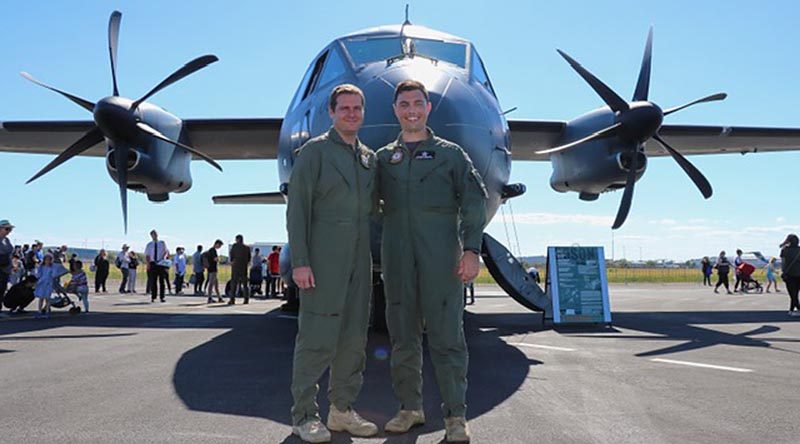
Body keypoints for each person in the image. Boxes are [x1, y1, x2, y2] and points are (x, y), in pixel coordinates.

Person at [376, 80, 487, 443]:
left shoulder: (451, 154)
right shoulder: (381, 159)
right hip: (397, 258)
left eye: (418, 103)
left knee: (446, 337)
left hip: (442, 257)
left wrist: (472, 249)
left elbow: (473, 201)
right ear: (396, 109)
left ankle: (456, 416)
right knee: (403, 336)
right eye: (404, 103)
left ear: (428, 108)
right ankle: (410, 408)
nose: (411, 109)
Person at [287, 83, 378, 443]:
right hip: (323, 261)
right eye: (345, 108)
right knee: (316, 339)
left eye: (357, 108)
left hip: (360, 260)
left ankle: (341, 410)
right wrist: (301, 261)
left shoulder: (368, 158)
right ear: (332, 112)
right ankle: (304, 414)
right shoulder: (314, 152)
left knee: (354, 339)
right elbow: (297, 211)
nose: (351, 114)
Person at [145, 229, 169, 302]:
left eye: (155, 234)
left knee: (162, 281)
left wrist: (163, 259)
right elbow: (147, 255)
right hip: (153, 263)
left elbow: (166, 252)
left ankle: (162, 297)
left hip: (161, 263)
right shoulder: (149, 245)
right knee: (153, 281)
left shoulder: (162, 243)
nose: (154, 236)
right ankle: (153, 297)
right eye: (153, 234)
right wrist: (148, 264)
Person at [780, 234, 800, 316]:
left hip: (789, 274)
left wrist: (783, 272)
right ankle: (791, 309)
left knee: (792, 294)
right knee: (795, 293)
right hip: (799, 274)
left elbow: (783, 263)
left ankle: (797, 308)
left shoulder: (785, 250)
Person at [228, 234, 251, 305]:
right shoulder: (247, 247)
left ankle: (232, 299)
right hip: (243, 267)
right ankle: (246, 299)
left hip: (235, 267)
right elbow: (249, 257)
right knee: (245, 284)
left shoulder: (235, 246)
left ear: (237, 239)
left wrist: (232, 261)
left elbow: (231, 255)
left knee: (234, 284)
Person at [34, 253, 57, 318]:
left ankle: (47, 311)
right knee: (41, 298)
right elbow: (38, 274)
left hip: (48, 283)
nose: (47, 261)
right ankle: (39, 311)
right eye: (46, 259)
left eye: (49, 259)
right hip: (41, 283)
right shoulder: (41, 267)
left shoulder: (52, 267)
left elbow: (54, 275)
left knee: (47, 298)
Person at [0, 219, 14, 313]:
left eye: (10, 229)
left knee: (2, 290)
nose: (9, 231)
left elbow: (10, 253)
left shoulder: (6, 240)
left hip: (5, 269)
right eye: (7, 229)